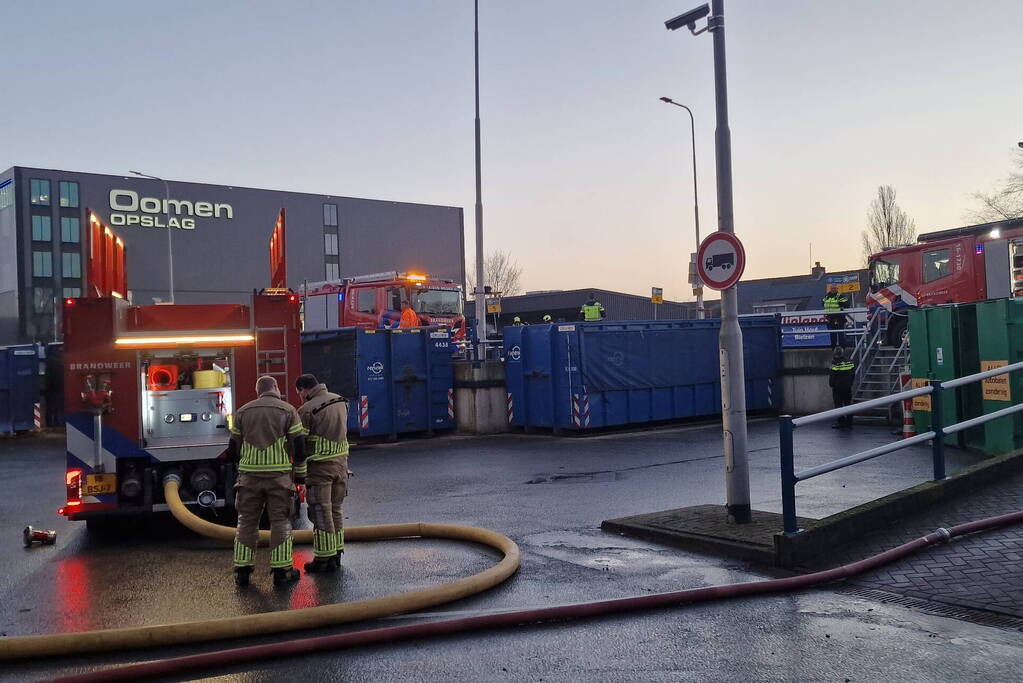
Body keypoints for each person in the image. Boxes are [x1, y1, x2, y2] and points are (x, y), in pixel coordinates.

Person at [228, 375, 307, 587]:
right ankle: (282, 571)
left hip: (249, 477)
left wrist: (242, 468)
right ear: (275, 387)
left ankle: (242, 570)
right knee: (280, 521)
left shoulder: (243, 412)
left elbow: (232, 449)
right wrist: (300, 475)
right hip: (278, 477)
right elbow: (299, 447)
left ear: (258, 391)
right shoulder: (288, 410)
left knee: (246, 521)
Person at [294, 374, 350, 574]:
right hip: (341, 465)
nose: (300, 397)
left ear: (303, 389)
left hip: (319, 468)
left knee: (320, 511)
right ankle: (336, 553)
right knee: (336, 510)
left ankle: (324, 559)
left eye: (299, 393)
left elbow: (300, 445)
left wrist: (297, 472)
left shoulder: (306, 410)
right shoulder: (340, 401)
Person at [829, 347, 855, 429]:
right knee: (848, 404)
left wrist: (832, 384)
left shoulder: (835, 363)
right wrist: (850, 383)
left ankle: (841, 423)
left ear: (835, 353)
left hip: (838, 388)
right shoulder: (849, 362)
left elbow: (832, 376)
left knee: (838, 405)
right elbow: (853, 374)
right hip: (847, 387)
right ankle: (849, 423)